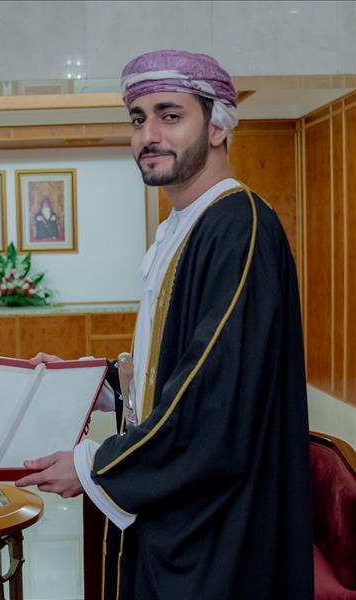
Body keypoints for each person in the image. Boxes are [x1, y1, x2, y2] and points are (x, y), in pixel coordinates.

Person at [16, 50, 313, 599]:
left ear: (218, 126)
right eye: (137, 119)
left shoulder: (239, 225)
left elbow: (213, 398)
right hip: (180, 517)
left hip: (216, 530)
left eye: (170, 115)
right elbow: (173, 360)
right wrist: (99, 383)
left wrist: (94, 466)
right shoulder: (186, 224)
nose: (148, 135)